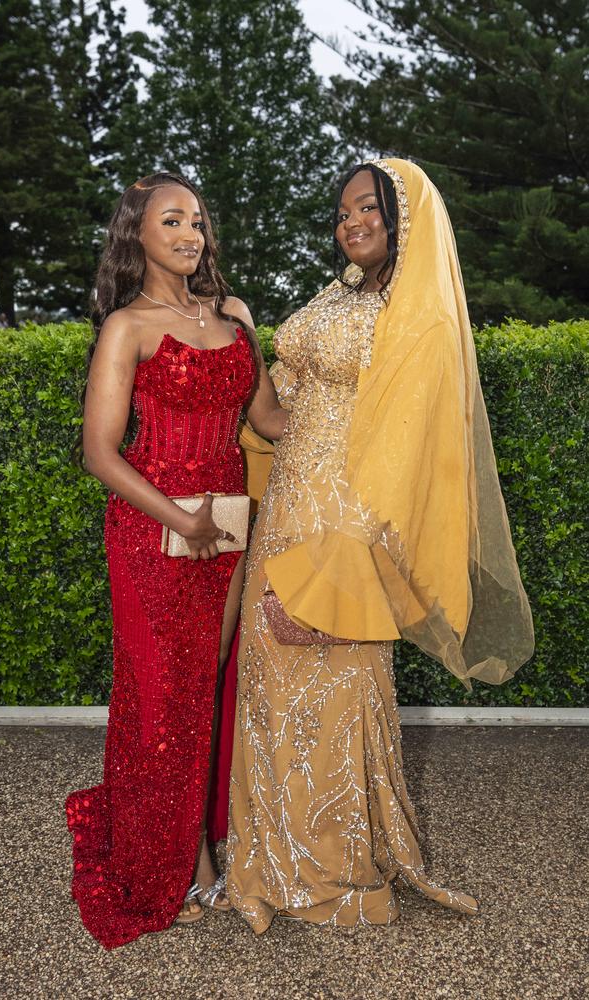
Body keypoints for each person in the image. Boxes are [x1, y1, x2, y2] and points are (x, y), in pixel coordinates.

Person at [227, 158, 534, 932]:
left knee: (334, 694)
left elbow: (408, 450)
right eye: (340, 213)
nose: (351, 223)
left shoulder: (419, 313)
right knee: (269, 691)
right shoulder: (339, 293)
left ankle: (334, 878)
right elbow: (282, 400)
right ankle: (264, 867)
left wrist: (345, 572)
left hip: (347, 523)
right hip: (287, 507)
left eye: (367, 209)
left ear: (403, 219)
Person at [65, 171, 286, 949]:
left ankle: (192, 844)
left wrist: (358, 409)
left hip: (226, 526)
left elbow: (266, 419)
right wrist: (176, 518)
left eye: (197, 219)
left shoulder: (234, 315)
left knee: (202, 689)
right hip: (152, 531)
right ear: (138, 234)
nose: (191, 234)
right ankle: (177, 862)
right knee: (161, 699)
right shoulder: (126, 326)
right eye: (172, 221)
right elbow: (99, 452)